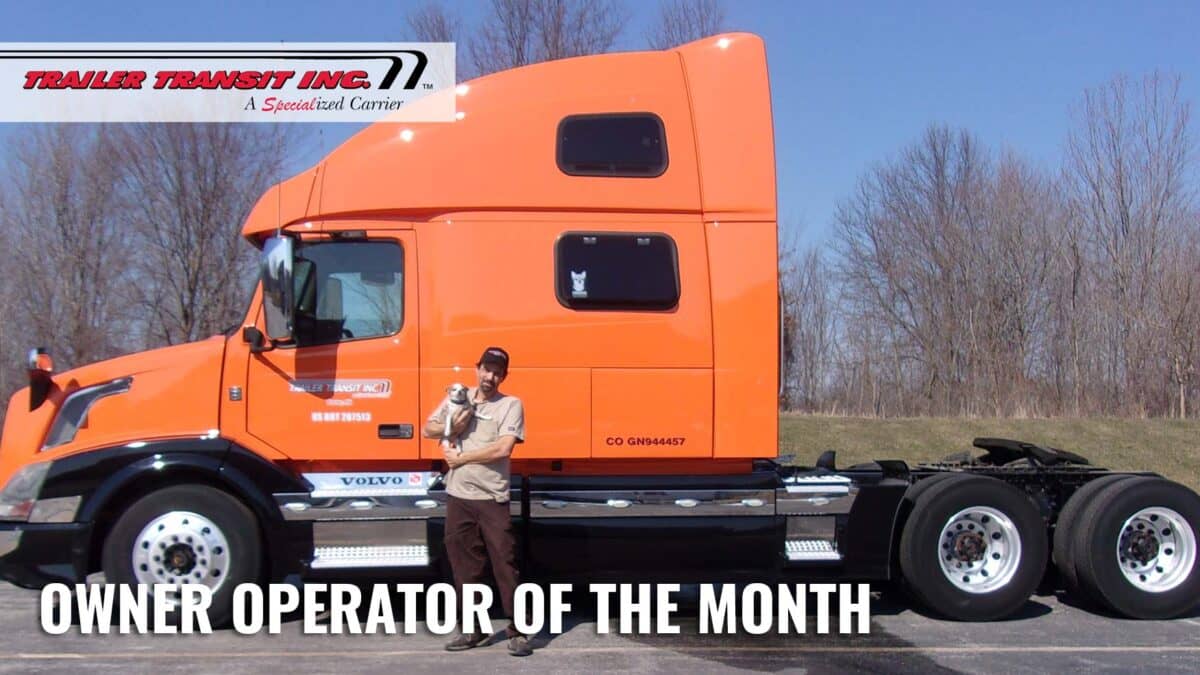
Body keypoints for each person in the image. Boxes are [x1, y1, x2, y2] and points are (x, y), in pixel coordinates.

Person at [422, 346, 531, 657]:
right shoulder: (459, 397)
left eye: (497, 372)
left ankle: (519, 631)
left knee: (504, 564)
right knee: (464, 568)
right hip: (459, 497)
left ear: (503, 376)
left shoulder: (510, 405)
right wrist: (454, 424)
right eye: (486, 369)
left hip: (492, 497)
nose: (490, 376)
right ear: (477, 368)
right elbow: (430, 428)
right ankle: (474, 629)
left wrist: (461, 458)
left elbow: (503, 449)